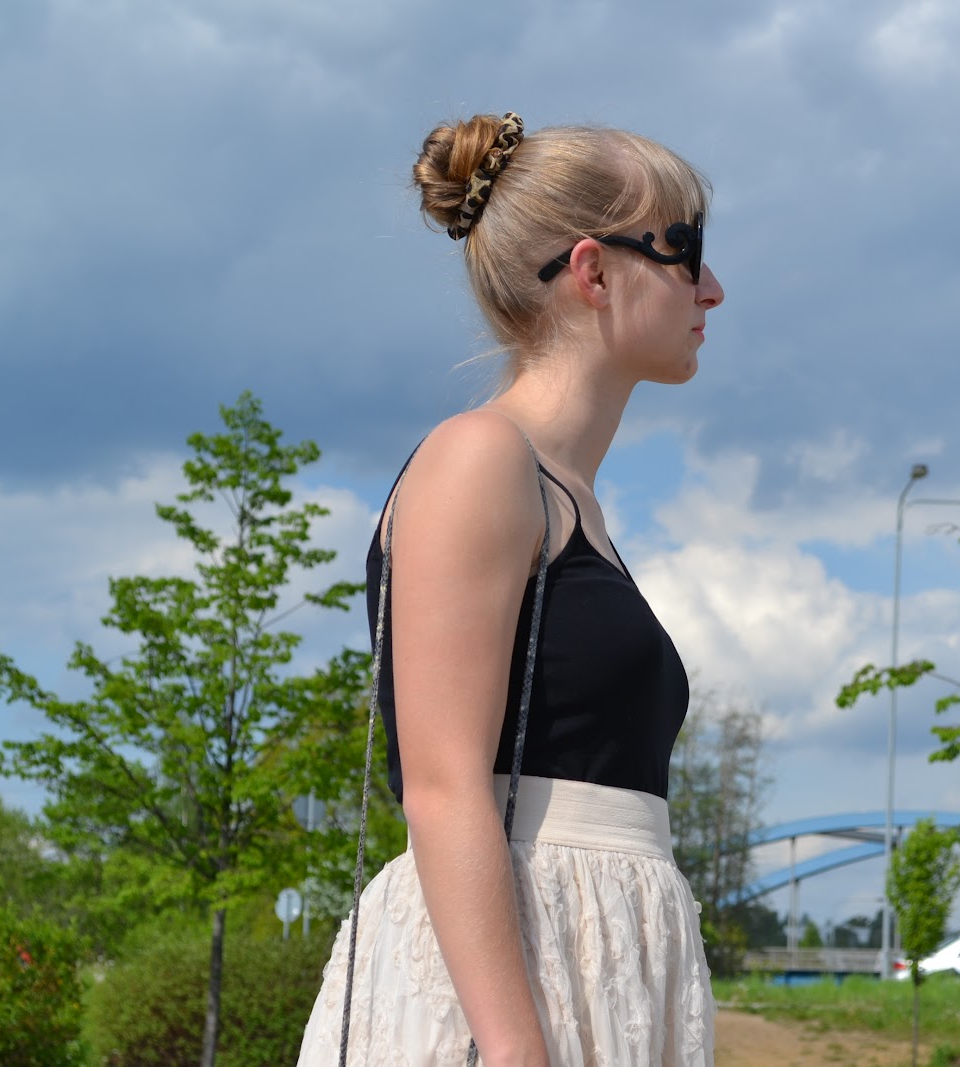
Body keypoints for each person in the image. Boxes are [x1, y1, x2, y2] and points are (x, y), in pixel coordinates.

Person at [296, 111, 725, 1067]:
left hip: (589, 968)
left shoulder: (575, 502)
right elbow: (443, 785)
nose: (713, 288)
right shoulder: (481, 458)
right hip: (511, 991)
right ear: (594, 271)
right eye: (686, 251)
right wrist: (514, 1048)